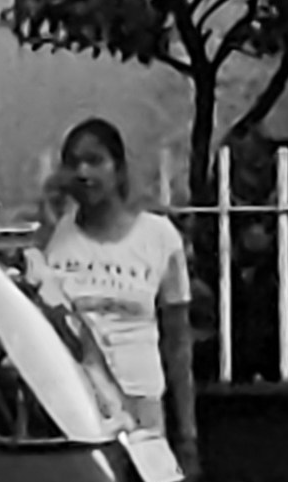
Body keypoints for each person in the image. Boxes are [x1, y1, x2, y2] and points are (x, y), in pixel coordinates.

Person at [21, 120, 197, 463]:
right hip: (69, 407)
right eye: (73, 163)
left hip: (141, 409)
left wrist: (187, 436)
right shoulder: (52, 237)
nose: (84, 172)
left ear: (119, 169)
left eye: (95, 160)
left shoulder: (160, 238)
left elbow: (178, 343)